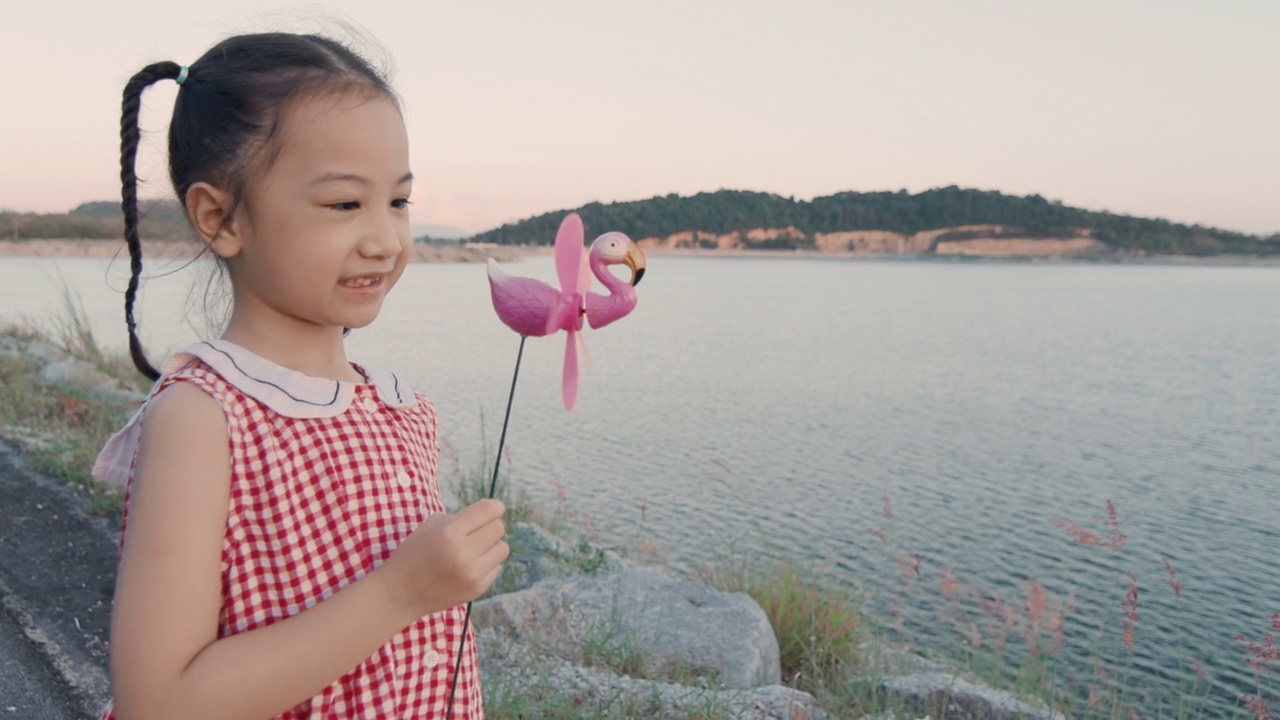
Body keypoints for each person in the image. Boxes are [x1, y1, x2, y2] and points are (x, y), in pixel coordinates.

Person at [91, 31, 509, 720]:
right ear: (220, 218)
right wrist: (401, 592)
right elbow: (156, 702)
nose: (384, 238)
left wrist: (440, 579)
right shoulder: (204, 419)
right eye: (346, 204)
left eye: (398, 202)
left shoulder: (403, 409)